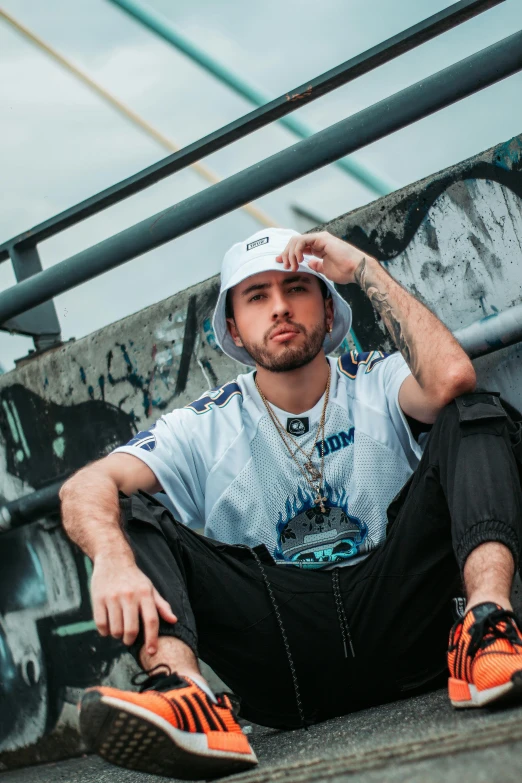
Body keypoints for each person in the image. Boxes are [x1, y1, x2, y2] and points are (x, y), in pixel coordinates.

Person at [60, 228, 522, 780]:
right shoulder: (207, 424)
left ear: (329, 311)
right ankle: (185, 693)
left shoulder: (375, 378)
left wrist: (363, 267)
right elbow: (83, 486)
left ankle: (488, 627)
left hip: (408, 628)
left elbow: (452, 376)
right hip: (284, 663)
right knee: (124, 508)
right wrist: (111, 558)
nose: (279, 307)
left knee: (472, 412)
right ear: (232, 327)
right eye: (256, 296)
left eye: (297, 288)